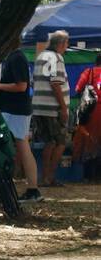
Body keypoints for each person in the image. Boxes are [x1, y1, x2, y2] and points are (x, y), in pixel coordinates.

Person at [0, 44, 39, 199]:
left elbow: (21, 86)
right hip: (13, 110)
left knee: (22, 146)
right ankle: (30, 188)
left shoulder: (16, 58)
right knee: (19, 146)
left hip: (15, 110)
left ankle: (32, 189)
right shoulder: (12, 57)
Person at [31, 30, 70, 190]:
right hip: (52, 108)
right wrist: (63, 107)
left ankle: (44, 177)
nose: (67, 47)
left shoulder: (40, 57)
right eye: (66, 43)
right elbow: (55, 83)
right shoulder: (56, 58)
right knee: (60, 142)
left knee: (49, 142)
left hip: (39, 106)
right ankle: (50, 177)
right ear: (60, 44)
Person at [70, 50, 101, 181]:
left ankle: (88, 175)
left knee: (88, 141)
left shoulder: (88, 72)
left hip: (91, 111)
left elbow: (77, 89)